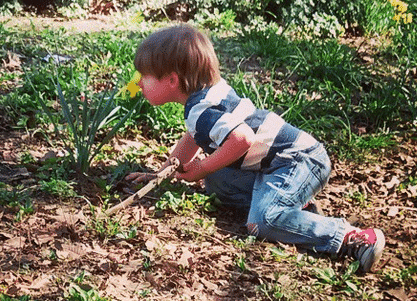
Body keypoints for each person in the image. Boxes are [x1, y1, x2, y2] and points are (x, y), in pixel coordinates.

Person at [126, 23, 385, 274]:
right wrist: (161, 174)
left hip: (299, 160)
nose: (138, 84)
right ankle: (292, 208)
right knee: (216, 180)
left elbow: (242, 139)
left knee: (262, 222)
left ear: (172, 80)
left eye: (144, 77)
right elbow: (193, 138)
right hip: (280, 162)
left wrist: (201, 167)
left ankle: (352, 237)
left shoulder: (201, 109)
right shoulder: (207, 96)